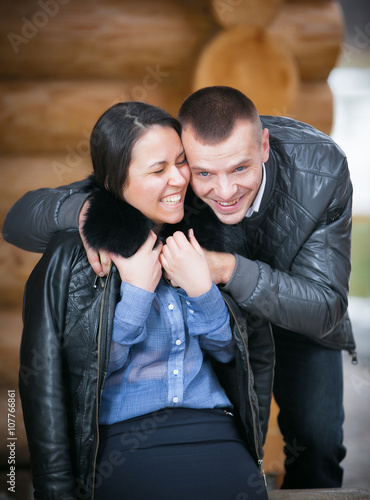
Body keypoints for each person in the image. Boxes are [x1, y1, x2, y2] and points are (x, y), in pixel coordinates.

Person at [3, 86, 354, 489]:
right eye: (203, 172)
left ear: (264, 145)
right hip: (226, 321)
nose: (222, 192)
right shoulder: (176, 174)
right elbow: (19, 222)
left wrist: (222, 269)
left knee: (319, 444)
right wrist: (86, 211)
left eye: (240, 169)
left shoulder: (322, 168)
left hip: (303, 313)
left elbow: (326, 306)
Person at [15, 101, 271, 500]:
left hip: (212, 425)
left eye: (182, 162)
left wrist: (204, 291)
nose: (179, 179)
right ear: (116, 182)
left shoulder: (209, 234)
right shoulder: (77, 256)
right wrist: (136, 294)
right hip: (120, 437)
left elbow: (229, 355)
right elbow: (81, 375)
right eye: (158, 170)